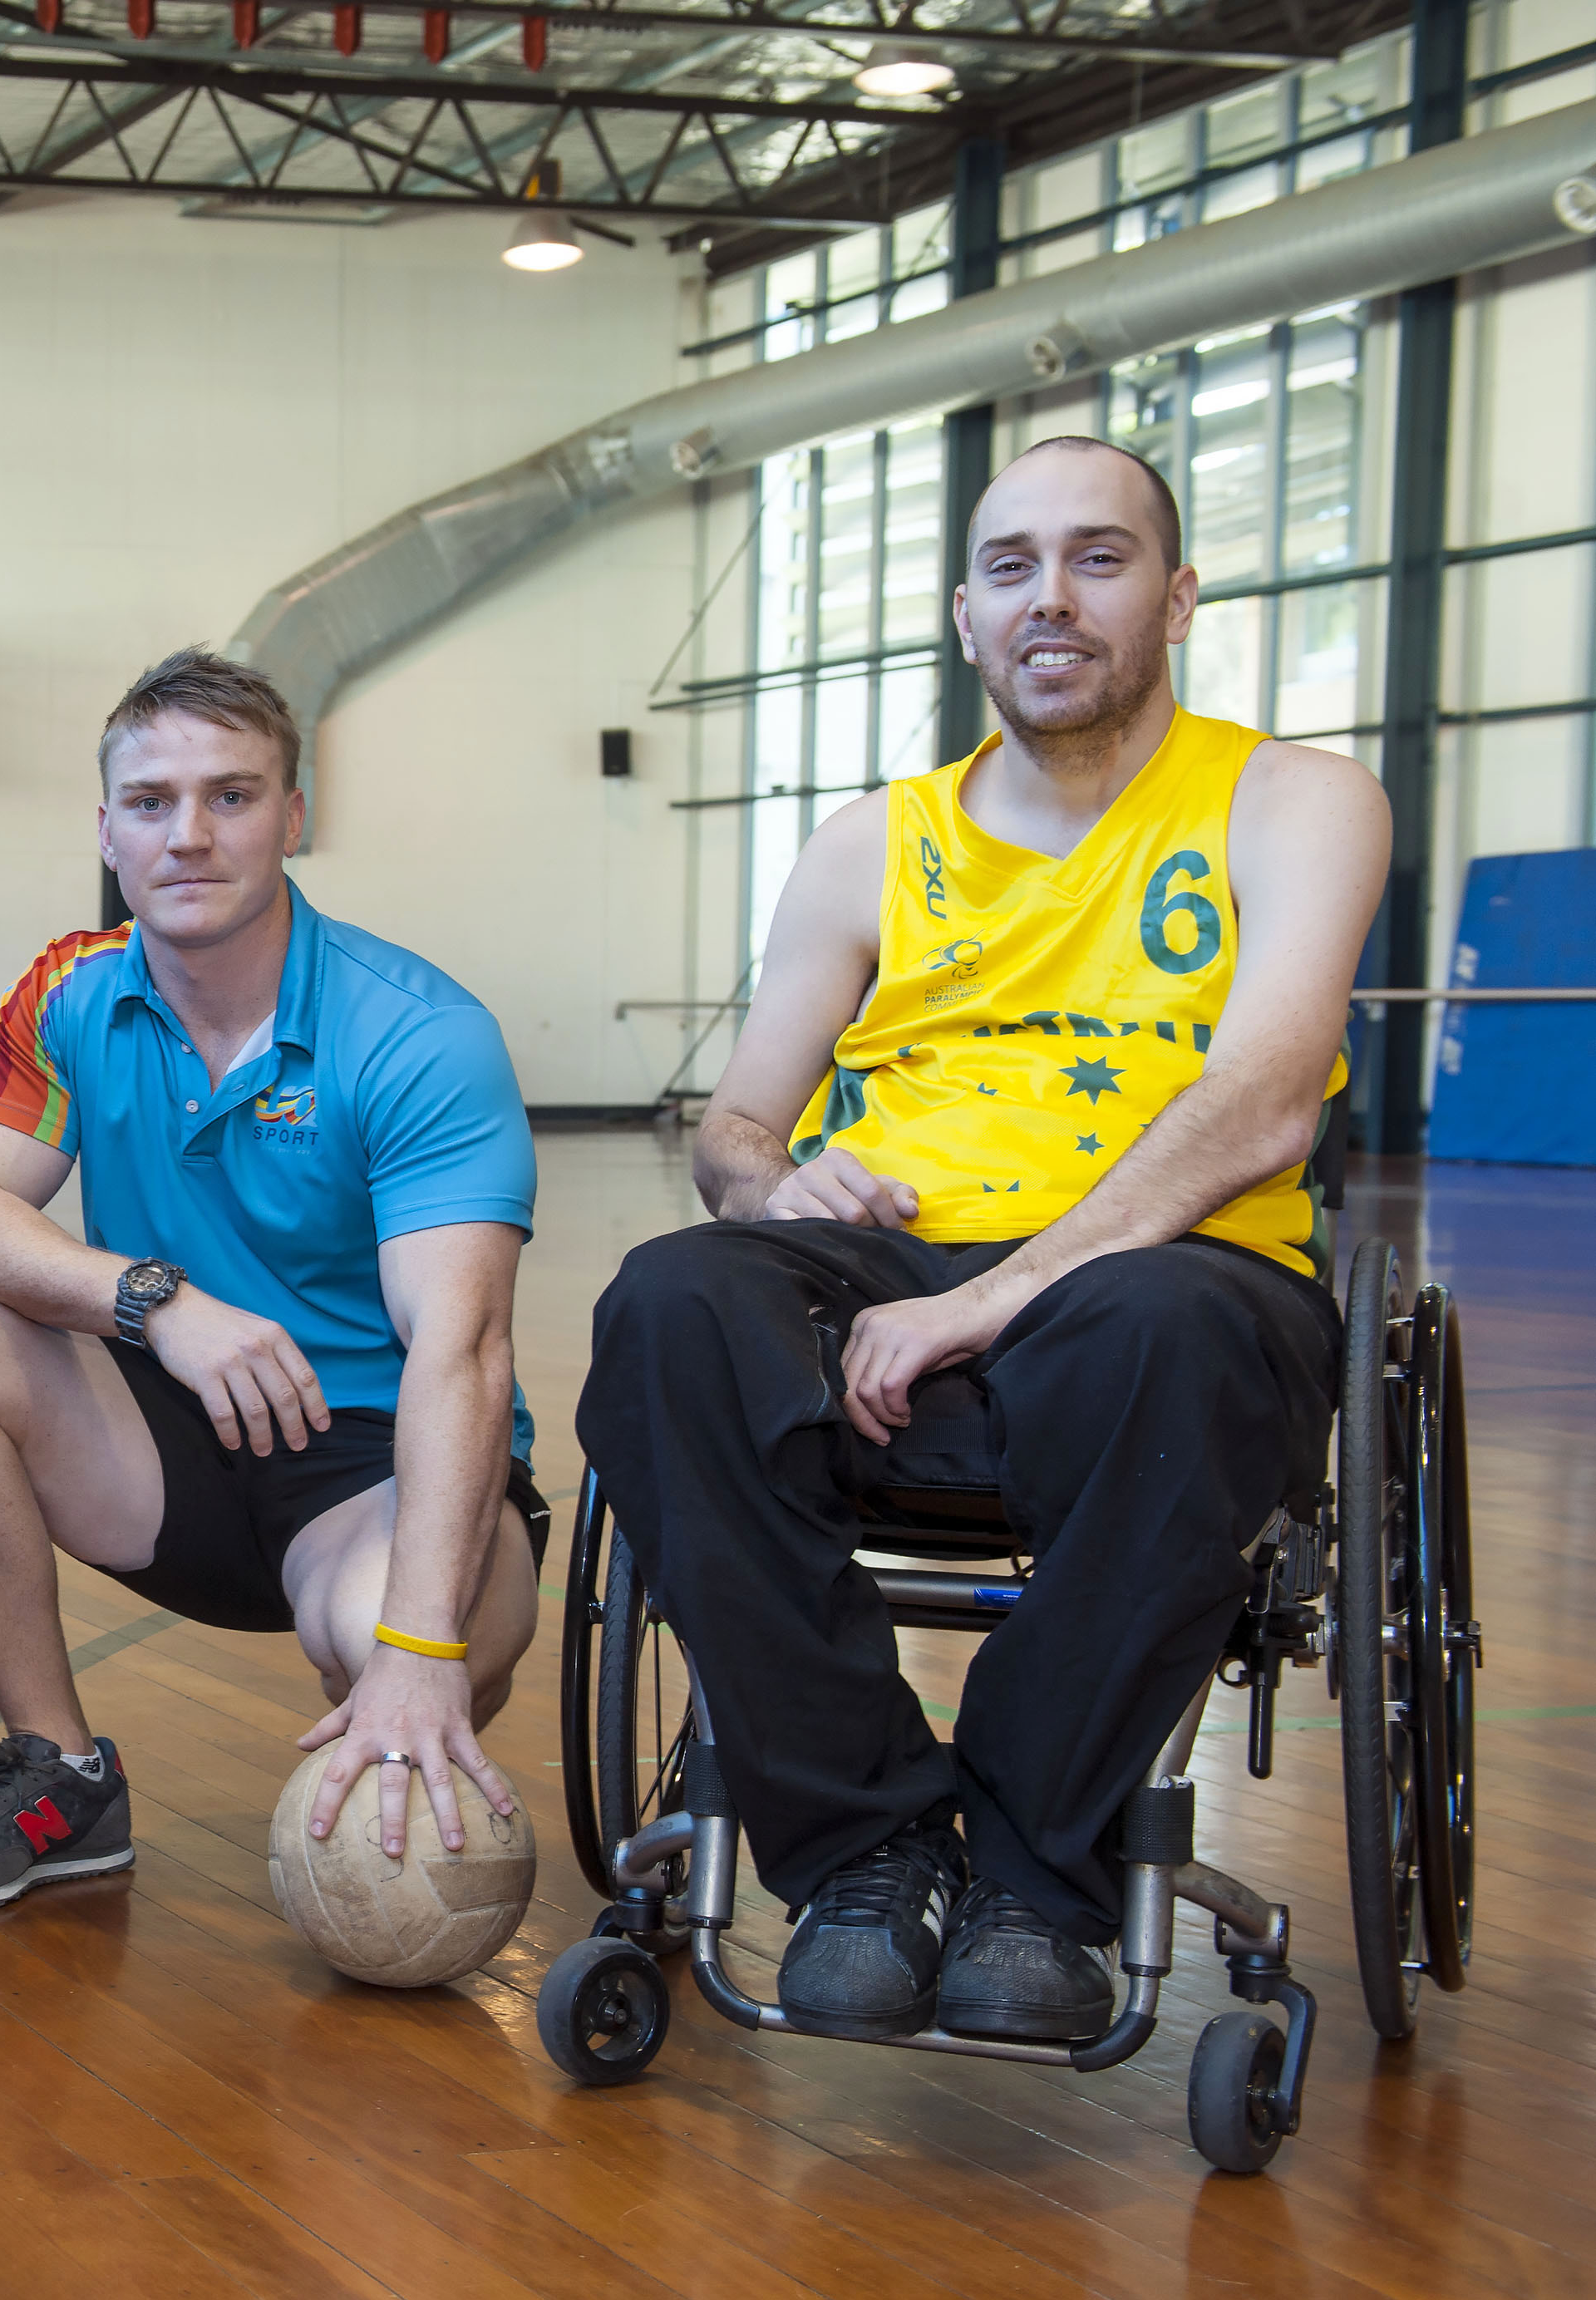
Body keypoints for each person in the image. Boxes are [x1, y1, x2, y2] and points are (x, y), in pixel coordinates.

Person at [575, 436, 1383, 2042]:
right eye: (1011, 566)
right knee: (669, 1300)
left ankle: (1032, 1876)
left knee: (1161, 1325)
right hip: (895, 1267)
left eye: (1099, 557)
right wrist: (768, 1186)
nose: (1052, 598)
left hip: (1177, 1277)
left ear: (1177, 595)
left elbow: (1264, 1105)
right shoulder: (872, 842)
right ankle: (869, 1852)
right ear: (963, 616)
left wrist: (997, 1299)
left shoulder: (1289, 799)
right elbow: (731, 1127)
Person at [0, 649, 539, 1911]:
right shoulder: (69, 990)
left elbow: (463, 1352)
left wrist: (415, 1650)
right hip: (163, 1439)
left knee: (390, 1645)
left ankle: (404, 1719)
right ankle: (59, 1775)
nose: (188, 835)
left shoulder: (417, 1032)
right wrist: (154, 1302)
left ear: (295, 816)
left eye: (230, 797)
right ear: (106, 827)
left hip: (378, 1464)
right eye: (151, 801)